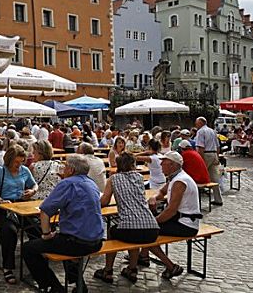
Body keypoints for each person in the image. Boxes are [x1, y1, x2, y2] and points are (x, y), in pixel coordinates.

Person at [22, 154, 104, 293]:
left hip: (77, 242)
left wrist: (46, 234)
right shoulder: (91, 183)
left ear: (71, 170)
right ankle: (79, 285)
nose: (63, 168)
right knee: (64, 241)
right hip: (97, 241)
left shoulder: (67, 183)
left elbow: (45, 211)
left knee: (29, 248)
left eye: (65, 166)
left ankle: (53, 286)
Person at [94, 152, 159, 284]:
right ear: (133, 164)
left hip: (131, 229)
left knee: (113, 231)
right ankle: (132, 268)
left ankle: (108, 270)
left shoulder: (113, 179)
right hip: (152, 227)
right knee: (133, 228)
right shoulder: (140, 177)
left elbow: (105, 201)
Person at [140, 151, 202, 279]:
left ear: (173, 165)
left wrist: (154, 222)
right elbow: (162, 192)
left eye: (164, 162)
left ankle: (171, 266)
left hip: (186, 225)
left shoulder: (180, 181)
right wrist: (154, 198)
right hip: (180, 219)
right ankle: (143, 256)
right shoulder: (176, 177)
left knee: (147, 232)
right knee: (147, 226)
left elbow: (171, 210)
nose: (161, 164)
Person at [0, 145, 38, 284]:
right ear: (9, 160)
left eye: (21, 162)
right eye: (16, 162)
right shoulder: (0, 171)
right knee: (10, 231)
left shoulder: (24, 170)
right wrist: (1, 200)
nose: (18, 165)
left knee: (37, 229)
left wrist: (32, 191)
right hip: (4, 208)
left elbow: (34, 185)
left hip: (21, 205)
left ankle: (37, 265)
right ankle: (7, 267)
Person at [195, 117, 223, 206]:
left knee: (198, 176)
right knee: (215, 178)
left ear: (201, 123)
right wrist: (217, 157)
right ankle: (218, 199)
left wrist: (201, 159)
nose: (196, 124)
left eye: (197, 123)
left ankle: (195, 200)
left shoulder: (200, 132)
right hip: (213, 154)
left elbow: (200, 147)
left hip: (206, 154)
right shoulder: (212, 131)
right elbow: (218, 146)